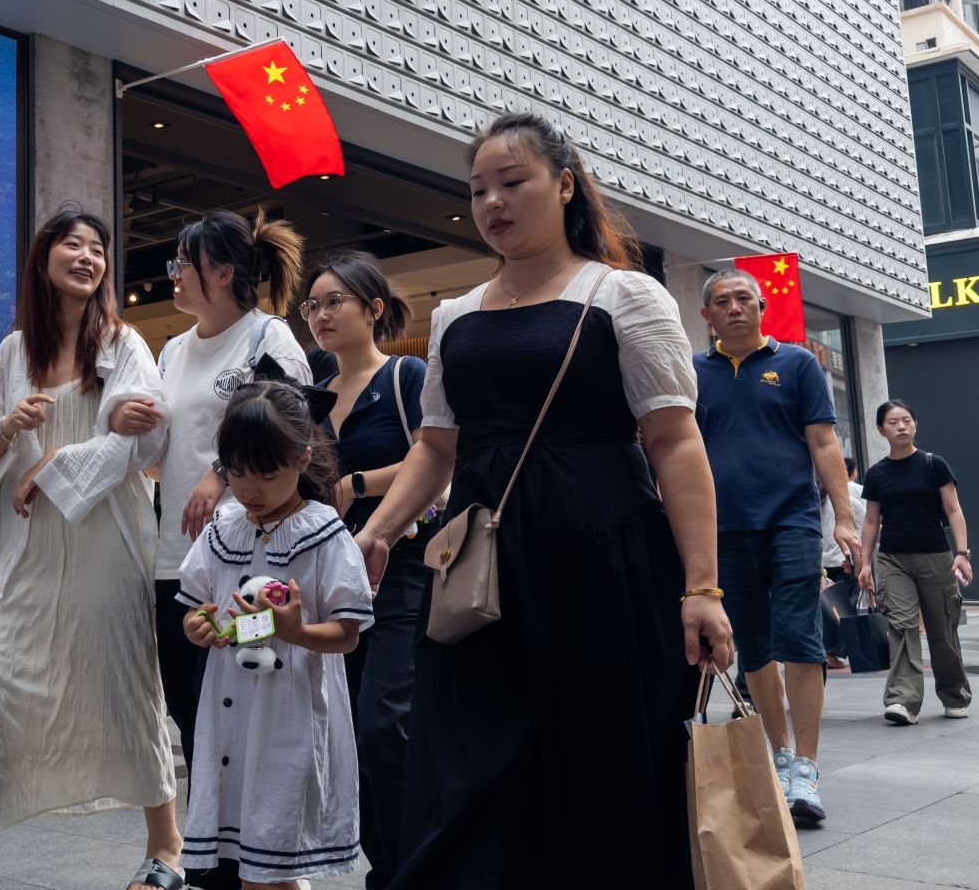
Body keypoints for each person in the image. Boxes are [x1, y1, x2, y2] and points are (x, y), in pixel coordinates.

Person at [351, 111, 732, 889]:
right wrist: (379, 533)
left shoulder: (623, 295)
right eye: (478, 188)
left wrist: (702, 587)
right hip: (480, 577)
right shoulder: (455, 315)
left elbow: (675, 443)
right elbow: (435, 447)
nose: (492, 202)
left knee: (601, 769)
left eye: (512, 182)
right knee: (465, 773)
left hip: (606, 561)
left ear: (564, 185)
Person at [0, 207, 181, 890]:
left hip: (105, 548)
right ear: (44, 259)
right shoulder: (14, 351)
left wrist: (56, 465)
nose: (86, 256)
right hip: (24, 553)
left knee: (126, 688)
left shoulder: (125, 343)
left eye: (97, 249)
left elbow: (151, 437)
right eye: (71, 245)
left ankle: (167, 844)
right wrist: (7, 433)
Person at [152, 210, 310, 889]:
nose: (174, 275)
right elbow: (159, 449)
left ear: (221, 270)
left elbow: (295, 426)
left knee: (248, 715)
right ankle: (217, 867)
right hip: (174, 563)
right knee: (194, 722)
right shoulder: (171, 350)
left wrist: (222, 471)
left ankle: (268, 867)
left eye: (182, 262)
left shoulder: (267, 338)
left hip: (251, 562)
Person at [176, 376, 372, 889]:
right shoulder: (224, 528)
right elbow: (198, 608)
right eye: (237, 473)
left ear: (303, 460)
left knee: (269, 863)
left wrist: (297, 630)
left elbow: (348, 633)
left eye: (266, 473)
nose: (249, 489)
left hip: (288, 714)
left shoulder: (324, 533)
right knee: (258, 864)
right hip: (230, 714)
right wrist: (199, 627)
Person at [694, 267, 858, 828]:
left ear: (762, 306)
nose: (735, 308)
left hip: (791, 522)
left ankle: (806, 767)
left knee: (801, 639)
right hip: (723, 530)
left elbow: (823, 442)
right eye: (723, 301)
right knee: (755, 647)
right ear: (707, 316)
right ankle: (781, 751)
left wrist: (844, 517)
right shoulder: (693, 373)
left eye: (745, 299)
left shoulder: (797, 364)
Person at [303, 251, 426, 890]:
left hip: (403, 567)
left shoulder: (407, 375)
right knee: (348, 732)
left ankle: (416, 866)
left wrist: (358, 482)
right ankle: (388, 866)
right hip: (334, 581)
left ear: (373, 309)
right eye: (313, 305)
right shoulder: (314, 399)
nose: (321, 315)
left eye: (334, 302)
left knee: (385, 722)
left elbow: (440, 460)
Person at [857, 401, 972, 723]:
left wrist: (962, 553)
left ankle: (954, 694)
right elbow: (870, 522)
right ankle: (903, 701)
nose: (901, 427)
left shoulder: (934, 465)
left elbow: (954, 510)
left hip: (936, 556)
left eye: (906, 420)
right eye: (893, 422)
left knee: (943, 630)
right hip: (893, 558)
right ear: (881, 430)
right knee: (902, 626)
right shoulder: (877, 473)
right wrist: (865, 564)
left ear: (915, 425)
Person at [819, 458, 866, 669]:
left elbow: (865, 527)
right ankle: (834, 652)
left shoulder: (844, 502)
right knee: (834, 610)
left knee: (844, 609)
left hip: (843, 563)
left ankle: (840, 651)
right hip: (824, 566)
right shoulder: (810, 502)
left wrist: (860, 559)